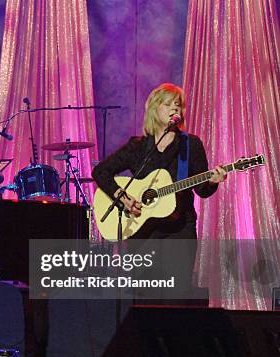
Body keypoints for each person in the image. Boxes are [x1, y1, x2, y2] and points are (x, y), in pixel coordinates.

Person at [92, 83, 227, 302]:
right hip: (143, 233)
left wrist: (213, 181)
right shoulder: (138, 147)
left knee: (176, 296)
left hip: (179, 230)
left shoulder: (190, 145)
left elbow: (202, 190)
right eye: (169, 104)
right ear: (155, 109)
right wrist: (123, 198)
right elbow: (101, 171)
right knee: (144, 299)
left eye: (179, 105)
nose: (176, 109)